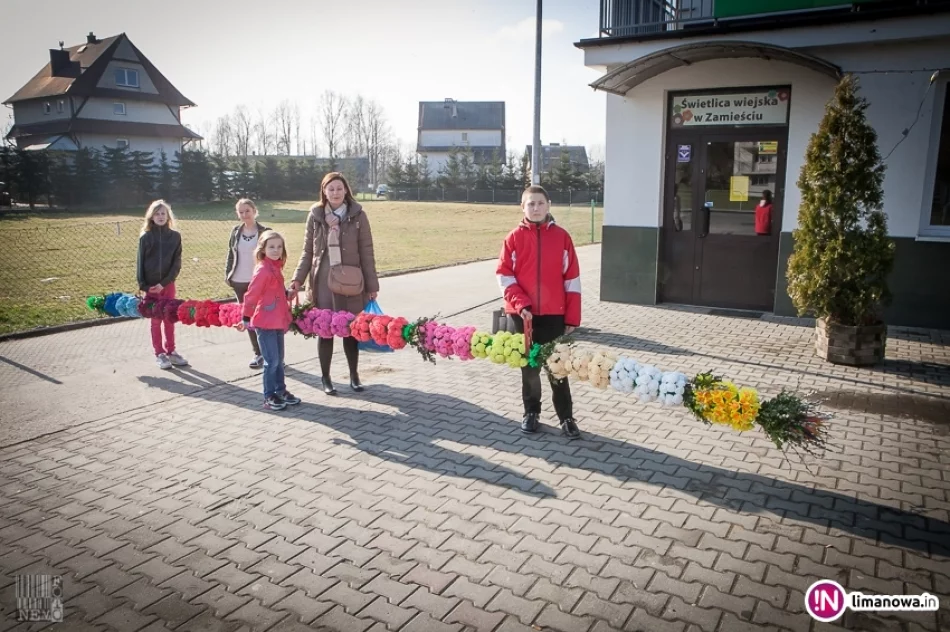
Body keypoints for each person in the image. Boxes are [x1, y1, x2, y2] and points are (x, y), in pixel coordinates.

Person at [496, 185, 582, 439]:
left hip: (554, 315)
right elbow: (504, 276)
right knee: (529, 368)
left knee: (558, 368)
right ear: (522, 207)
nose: (535, 208)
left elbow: (572, 280)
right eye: (530, 204)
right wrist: (521, 305)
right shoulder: (513, 238)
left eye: (540, 203)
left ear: (549, 205)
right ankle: (531, 412)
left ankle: (566, 417)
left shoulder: (562, 238)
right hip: (523, 316)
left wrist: (572, 317)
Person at [290, 172, 379, 396]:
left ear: (346, 190)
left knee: (351, 330)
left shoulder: (358, 215)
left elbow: (366, 252)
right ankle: (326, 377)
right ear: (324, 192)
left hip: (351, 282)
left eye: (339, 188)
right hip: (323, 283)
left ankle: (354, 375)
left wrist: (372, 285)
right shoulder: (315, 215)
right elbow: (308, 251)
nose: (336, 193)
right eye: (331, 189)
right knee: (325, 330)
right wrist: (297, 280)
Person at [236, 230, 300, 411]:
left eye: (279, 247)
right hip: (265, 322)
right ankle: (269, 395)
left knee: (279, 360)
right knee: (271, 361)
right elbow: (251, 295)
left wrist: (287, 294)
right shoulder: (263, 269)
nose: (276, 250)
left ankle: (281, 390)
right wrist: (246, 318)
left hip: (278, 320)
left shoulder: (275, 267)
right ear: (263, 249)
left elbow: (274, 293)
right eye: (271, 247)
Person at [137, 199, 187, 370]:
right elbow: (140, 263)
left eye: (163, 213)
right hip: (151, 287)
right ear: (151, 216)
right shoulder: (146, 237)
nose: (160, 216)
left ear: (168, 216)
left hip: (168, 285)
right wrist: (144, 286)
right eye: (157, 213)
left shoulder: (175, 237)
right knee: (156, 320)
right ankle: (160, 353)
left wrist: (164, 283)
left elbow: (176, 264)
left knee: (169, 318)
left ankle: (172, 351)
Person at [225, 198, 269, 368]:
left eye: (247, 211)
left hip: (258, 282)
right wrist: (228, 275)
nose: (244, 215)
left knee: (264, 318)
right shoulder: (236, 231)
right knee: (247, 319)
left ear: (254, 211)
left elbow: (272, 258)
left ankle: (270, 353)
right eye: (241, 212)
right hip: (239, 281)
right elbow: (231, 254)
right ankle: (258, 353)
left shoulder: (265, 231)